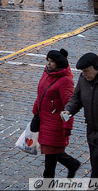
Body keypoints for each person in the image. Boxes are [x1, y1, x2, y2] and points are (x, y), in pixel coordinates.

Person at [34, 49, 80, 178]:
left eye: (52, 61)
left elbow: (69, 106)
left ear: (59, 63)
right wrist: (35, 111)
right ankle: (72, 164)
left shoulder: (65, 81)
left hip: (56, 124)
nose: (48, 64)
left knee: (50, 160)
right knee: (53, 154)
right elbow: (41, 94)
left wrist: (67, 126)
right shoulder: (47, 73)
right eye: (47, 60)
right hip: (44, 120)